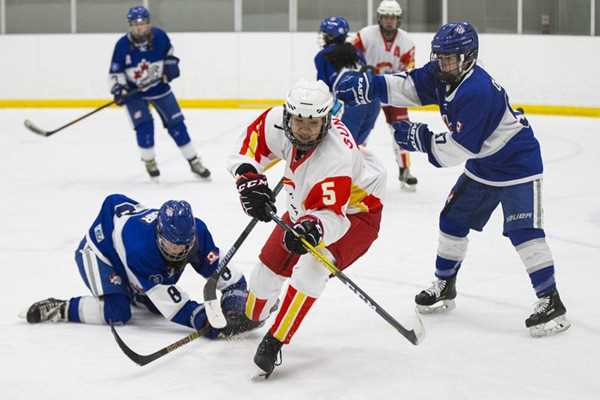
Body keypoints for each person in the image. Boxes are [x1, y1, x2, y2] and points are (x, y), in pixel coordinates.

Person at [334, 21, 570, 337]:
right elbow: (407, 86)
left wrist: (420, 139)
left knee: (523, 231)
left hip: (518, 164)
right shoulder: (442, 73)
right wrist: (369, 85)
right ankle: (445, 285)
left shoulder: (477, 91)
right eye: (440, 57)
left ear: (468, 58)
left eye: (450, 58)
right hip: (485, 164)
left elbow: (458, 149)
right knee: (452, 220)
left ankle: (550, 300)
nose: (442, 63)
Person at [227, 80, 386, 377]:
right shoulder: (277, 120)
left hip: (354, 215)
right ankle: (253, 316)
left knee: (311, 267)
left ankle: (276, 340)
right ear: (288, 115)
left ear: (326, 120)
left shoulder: (336, 157)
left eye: (313, 123)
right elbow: (247, 147)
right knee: (267, 268)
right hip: (304, 203)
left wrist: (313, 226)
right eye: (298, 120)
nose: (303, 129)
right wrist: (248, 178)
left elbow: (333, 218)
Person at [23, 193, 258, 339]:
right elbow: (175, 308)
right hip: (101, 252)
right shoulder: (141, 249)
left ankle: (136, 291)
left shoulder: (198, 232)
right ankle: (60, 308)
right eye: (169, 244)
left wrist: (235, 302)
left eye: (183, 245)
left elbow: (226, 275)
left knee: (153, 305)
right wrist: (205, 322)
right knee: (118, 312)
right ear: (158, 232)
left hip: (129, 249)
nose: (176, 251)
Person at [108, 5, 210, 180]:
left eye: (143, 23)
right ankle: (149, 161)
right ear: (130, 25)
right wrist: (119, 89)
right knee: (144, 127)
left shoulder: (160, 36)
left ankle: (194, 161)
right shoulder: (122, 45)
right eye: (135, 23)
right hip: (135, 93)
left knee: (177, 125)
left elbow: (169, 54)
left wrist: (171, 65)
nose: (139, 27)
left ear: (148, 23)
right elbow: (116, 72)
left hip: (160, 89)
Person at [352, 0, 418, 190]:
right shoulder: (365, 35)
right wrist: (360, 67)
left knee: (402, 129)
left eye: (393, 17)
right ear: (379, 18)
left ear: (399, 19)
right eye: (386, 17)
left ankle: (405, 169)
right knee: (361, 132)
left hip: (393, 90)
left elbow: (409, 70)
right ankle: (355, 169)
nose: (390, 21)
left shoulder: (407, 42)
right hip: (368, 89)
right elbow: (351, 52)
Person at [314, 16, 381, 148]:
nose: (323, 37)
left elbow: (323, 89)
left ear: (331, 37)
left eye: (325, 34)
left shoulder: (322, 56)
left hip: (351, 104)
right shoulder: (356, 50)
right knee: (358, 149)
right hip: (373, 102)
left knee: (341, 149)